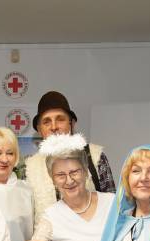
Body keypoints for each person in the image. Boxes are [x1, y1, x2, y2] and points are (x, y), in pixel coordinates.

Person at [1, 133, 113, 241]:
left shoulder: (112, 203)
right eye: (60, 175)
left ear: (85, 172)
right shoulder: (51, 216)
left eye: (74, 172)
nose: (69, 180)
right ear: (52, 179)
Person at [21, 91, 115, 222]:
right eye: (47, 122)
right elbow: (26, 218)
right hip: (47, 235)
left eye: (60, 119)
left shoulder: (95, 156)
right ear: (39, 129)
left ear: (72, 123)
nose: (54, 127)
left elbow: (113, 209)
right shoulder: (30, 167)